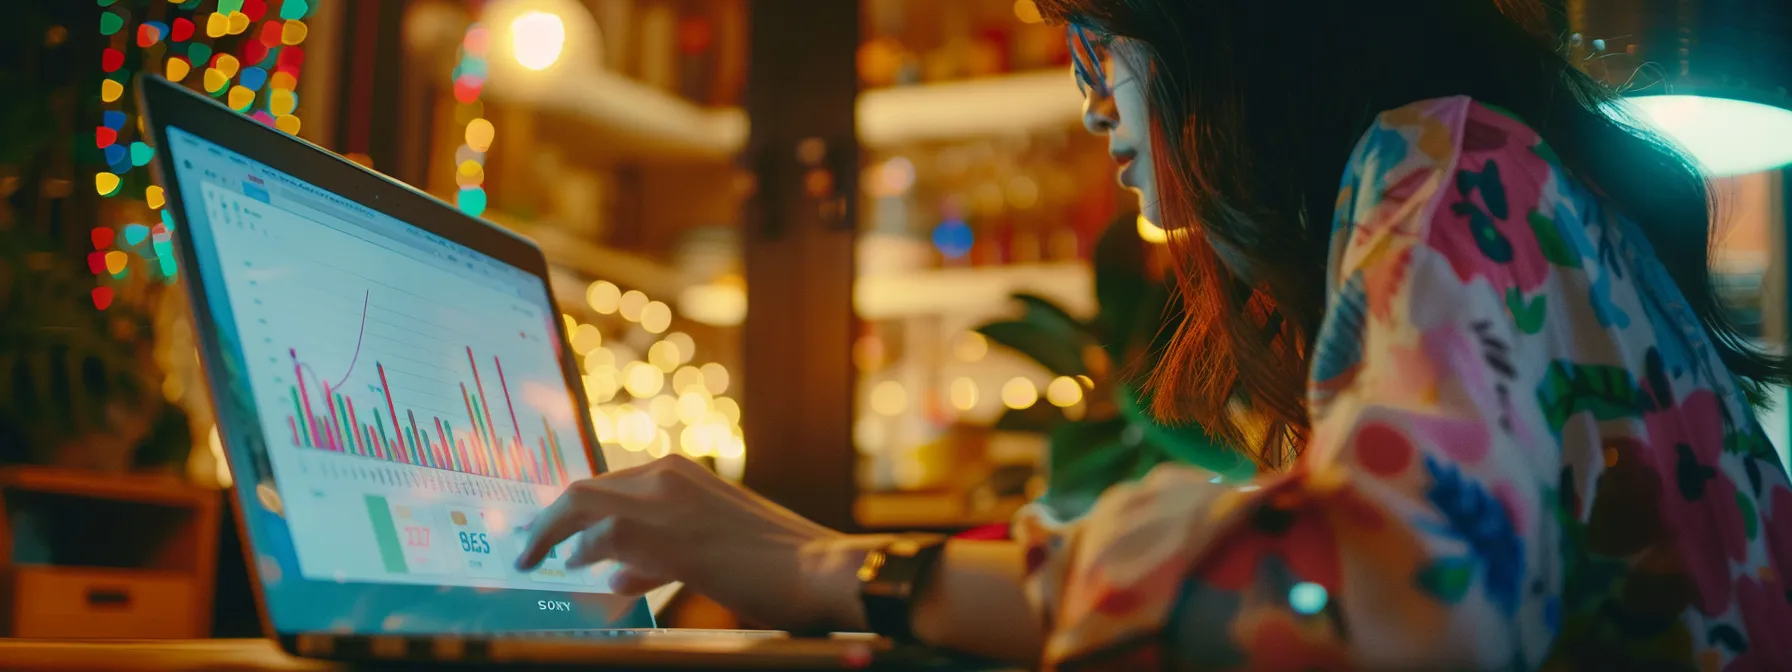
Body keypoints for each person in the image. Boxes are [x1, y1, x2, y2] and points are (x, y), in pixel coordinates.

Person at [518, 0, 1792, 668]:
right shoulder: (1495, 182)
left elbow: (1392, 602)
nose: (1086, 98)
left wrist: (837, 573)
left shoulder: (1450, 164)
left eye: (1096, 37)